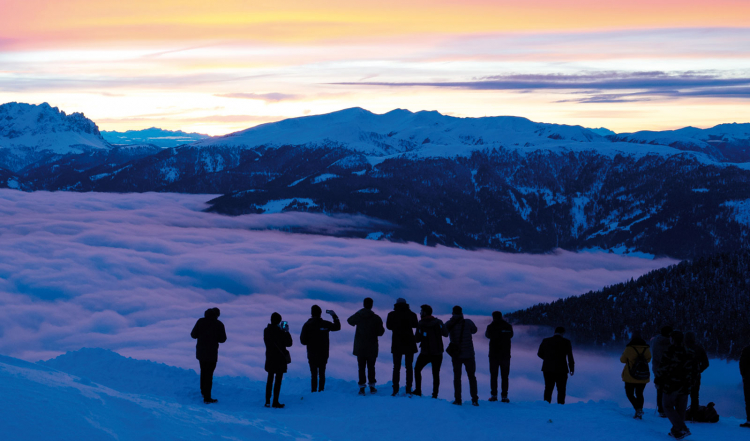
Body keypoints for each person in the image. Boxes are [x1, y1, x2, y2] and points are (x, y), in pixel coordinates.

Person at [657, 331, 695, 439]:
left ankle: (681, 428)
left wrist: (658, 382)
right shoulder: (689, 352)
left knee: (667, 406)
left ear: (672, 340)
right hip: (685, 385)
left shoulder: (669, 351)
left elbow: (662, 369)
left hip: (671, 385)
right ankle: (676, 431)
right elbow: (694, 369)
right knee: (680, 409)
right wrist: (692, 382)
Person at [347, 297, 385, 395]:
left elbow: (350, 321)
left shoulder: (359, 316)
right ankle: (372, 387)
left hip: (360, 347)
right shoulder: (376, 318)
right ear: (372, 305)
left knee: (361, 367)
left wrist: (359, 312)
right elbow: (381, 332)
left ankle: (362, 388)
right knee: (371, 367)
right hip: (372, 347)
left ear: (363, 304)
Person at [300, 305, 341, 393]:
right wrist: (334, 315)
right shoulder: (325, 324)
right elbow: (337, 327)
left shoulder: (307, 325)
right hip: (323, 353)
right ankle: (321, 391)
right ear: (320, 313)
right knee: (322, 373)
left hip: (312, 353)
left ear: (311, 313)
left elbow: (303, 341)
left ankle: (314, 391)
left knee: (314, 374)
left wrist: (310, 340)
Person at [190, 307, 227, 404]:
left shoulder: (200, 321)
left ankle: (203, 391)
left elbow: (193, 335)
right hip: (212, 353)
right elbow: (223, 339)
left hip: (201, 352)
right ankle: (207, 397)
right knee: (209, 375)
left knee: (203, 371)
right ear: (217, 315)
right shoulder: (219, 324)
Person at [445, 305, 479, 406]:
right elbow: (475, 330)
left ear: (452, 313)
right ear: (461, 313)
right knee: (472, 377)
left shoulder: (449, 323)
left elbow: (444, 333)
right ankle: (474, 399)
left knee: (457, 377)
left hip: (456, 355)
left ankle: (458, 399)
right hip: (469, 354)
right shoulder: (468, 322)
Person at [413, 304, 449, 398]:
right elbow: (445, 334)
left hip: (425, 352)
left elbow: (417, 339)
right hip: (437, 352)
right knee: (436, 373)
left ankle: (418, 390)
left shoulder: (421, 324)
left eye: (421, 311)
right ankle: (435, 394)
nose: (420, 313)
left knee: (417, 369)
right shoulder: (439, 322)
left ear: (424, 312)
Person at [386, 298, 419, 396]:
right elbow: (415, 325)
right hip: (409, 343)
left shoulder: (391, 315)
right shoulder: (412, 314)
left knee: (396, 367)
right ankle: (408, 389)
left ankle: (395, 390)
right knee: (409, 367)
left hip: (397, 343)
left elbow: (388, 326)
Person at [537, 326, 575, 404]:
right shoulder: (566, 342)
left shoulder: (546, 341)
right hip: (562, 369)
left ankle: (546, 405)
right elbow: (570, 356)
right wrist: (571, 368)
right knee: (561, 389)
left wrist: (547, 359)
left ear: (555, 332)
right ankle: (560, 405)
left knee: (548, 388)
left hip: (547, 368)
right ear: (563, 333)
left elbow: (539, 353)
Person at [620, 332, 652, 419]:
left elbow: (622, 360)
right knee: (640, 393)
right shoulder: (646, 348)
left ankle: (638, 409)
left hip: (630, 375)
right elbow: (648, 359)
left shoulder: (629, 348)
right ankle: (639, 410)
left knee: (629, 393)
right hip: (642, 375)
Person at [264, 312, 293, 408]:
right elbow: (289, 343)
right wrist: (286, 331)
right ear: (279, 321)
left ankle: (267, 401)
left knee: (270, 379)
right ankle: (275, 401)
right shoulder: (281, 332)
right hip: (280, 360)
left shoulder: (266, 331)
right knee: (278, 381)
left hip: (270, 358)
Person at [485, 311, 514, 403]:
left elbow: (487, 335)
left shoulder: (491, 326)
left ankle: (494, 395)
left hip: (493, 354)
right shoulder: (508, 326)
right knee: (505, 376)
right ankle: (504, 396)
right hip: (505, 354)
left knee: (494, 375)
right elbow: (511, 335)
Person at [684, 331, 709, 415]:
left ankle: (680, 412)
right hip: (695, 375)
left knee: (682, 394)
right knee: (694, 395)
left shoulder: (682, 348)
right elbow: (706, 363)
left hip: (682, 375)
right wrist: (699, 370)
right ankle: (694, 413)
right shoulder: (699, 348)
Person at [651, 325, 674, 417]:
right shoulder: (667, 343)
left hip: (657, 368)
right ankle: (667, 409)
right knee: (669, 390)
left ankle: (661, 409)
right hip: (667, 370)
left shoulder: (655, 341)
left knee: (660, 389)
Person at [741, 344, 750, 428]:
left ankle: (749, 420)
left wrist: (744, 375)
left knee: (748, 400)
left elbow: (742, 364)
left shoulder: (746, 349)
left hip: (748, 378)